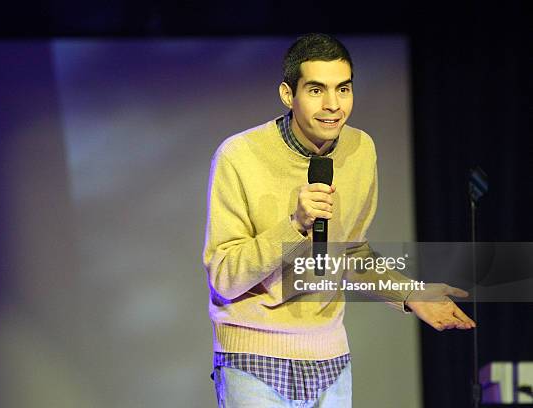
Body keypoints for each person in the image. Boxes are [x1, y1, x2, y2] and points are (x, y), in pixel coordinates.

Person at [202, 33, 475, 407]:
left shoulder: (360, 149)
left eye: (343, 89)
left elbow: (350, 253)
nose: (333, 105)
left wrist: (410, 294)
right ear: (288, 94)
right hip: (252, 357)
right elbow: (224, 277)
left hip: (329, 357)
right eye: (316, 91)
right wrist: (295, 224)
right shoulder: (239, 156)